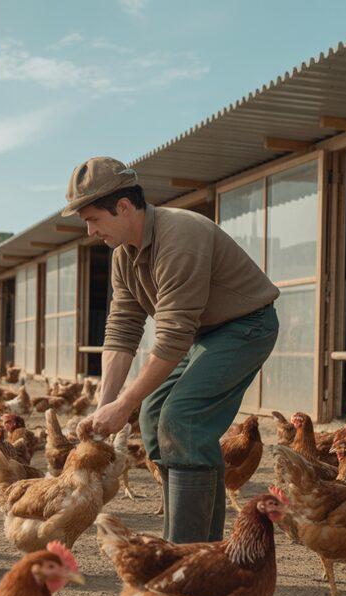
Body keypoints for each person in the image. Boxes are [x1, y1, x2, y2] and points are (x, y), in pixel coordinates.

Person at [74, 157, 280, 543]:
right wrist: (106, 406)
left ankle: (185, 552)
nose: (90, 231)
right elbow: (122, 330)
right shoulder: (124, 256)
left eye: (94, 219)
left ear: (123, 207)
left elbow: (171, 337)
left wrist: (124, 404)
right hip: (204, 335)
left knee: (182, 419)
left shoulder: (180, 236)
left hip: (246, 326)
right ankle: (205, 548)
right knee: (153, 416)